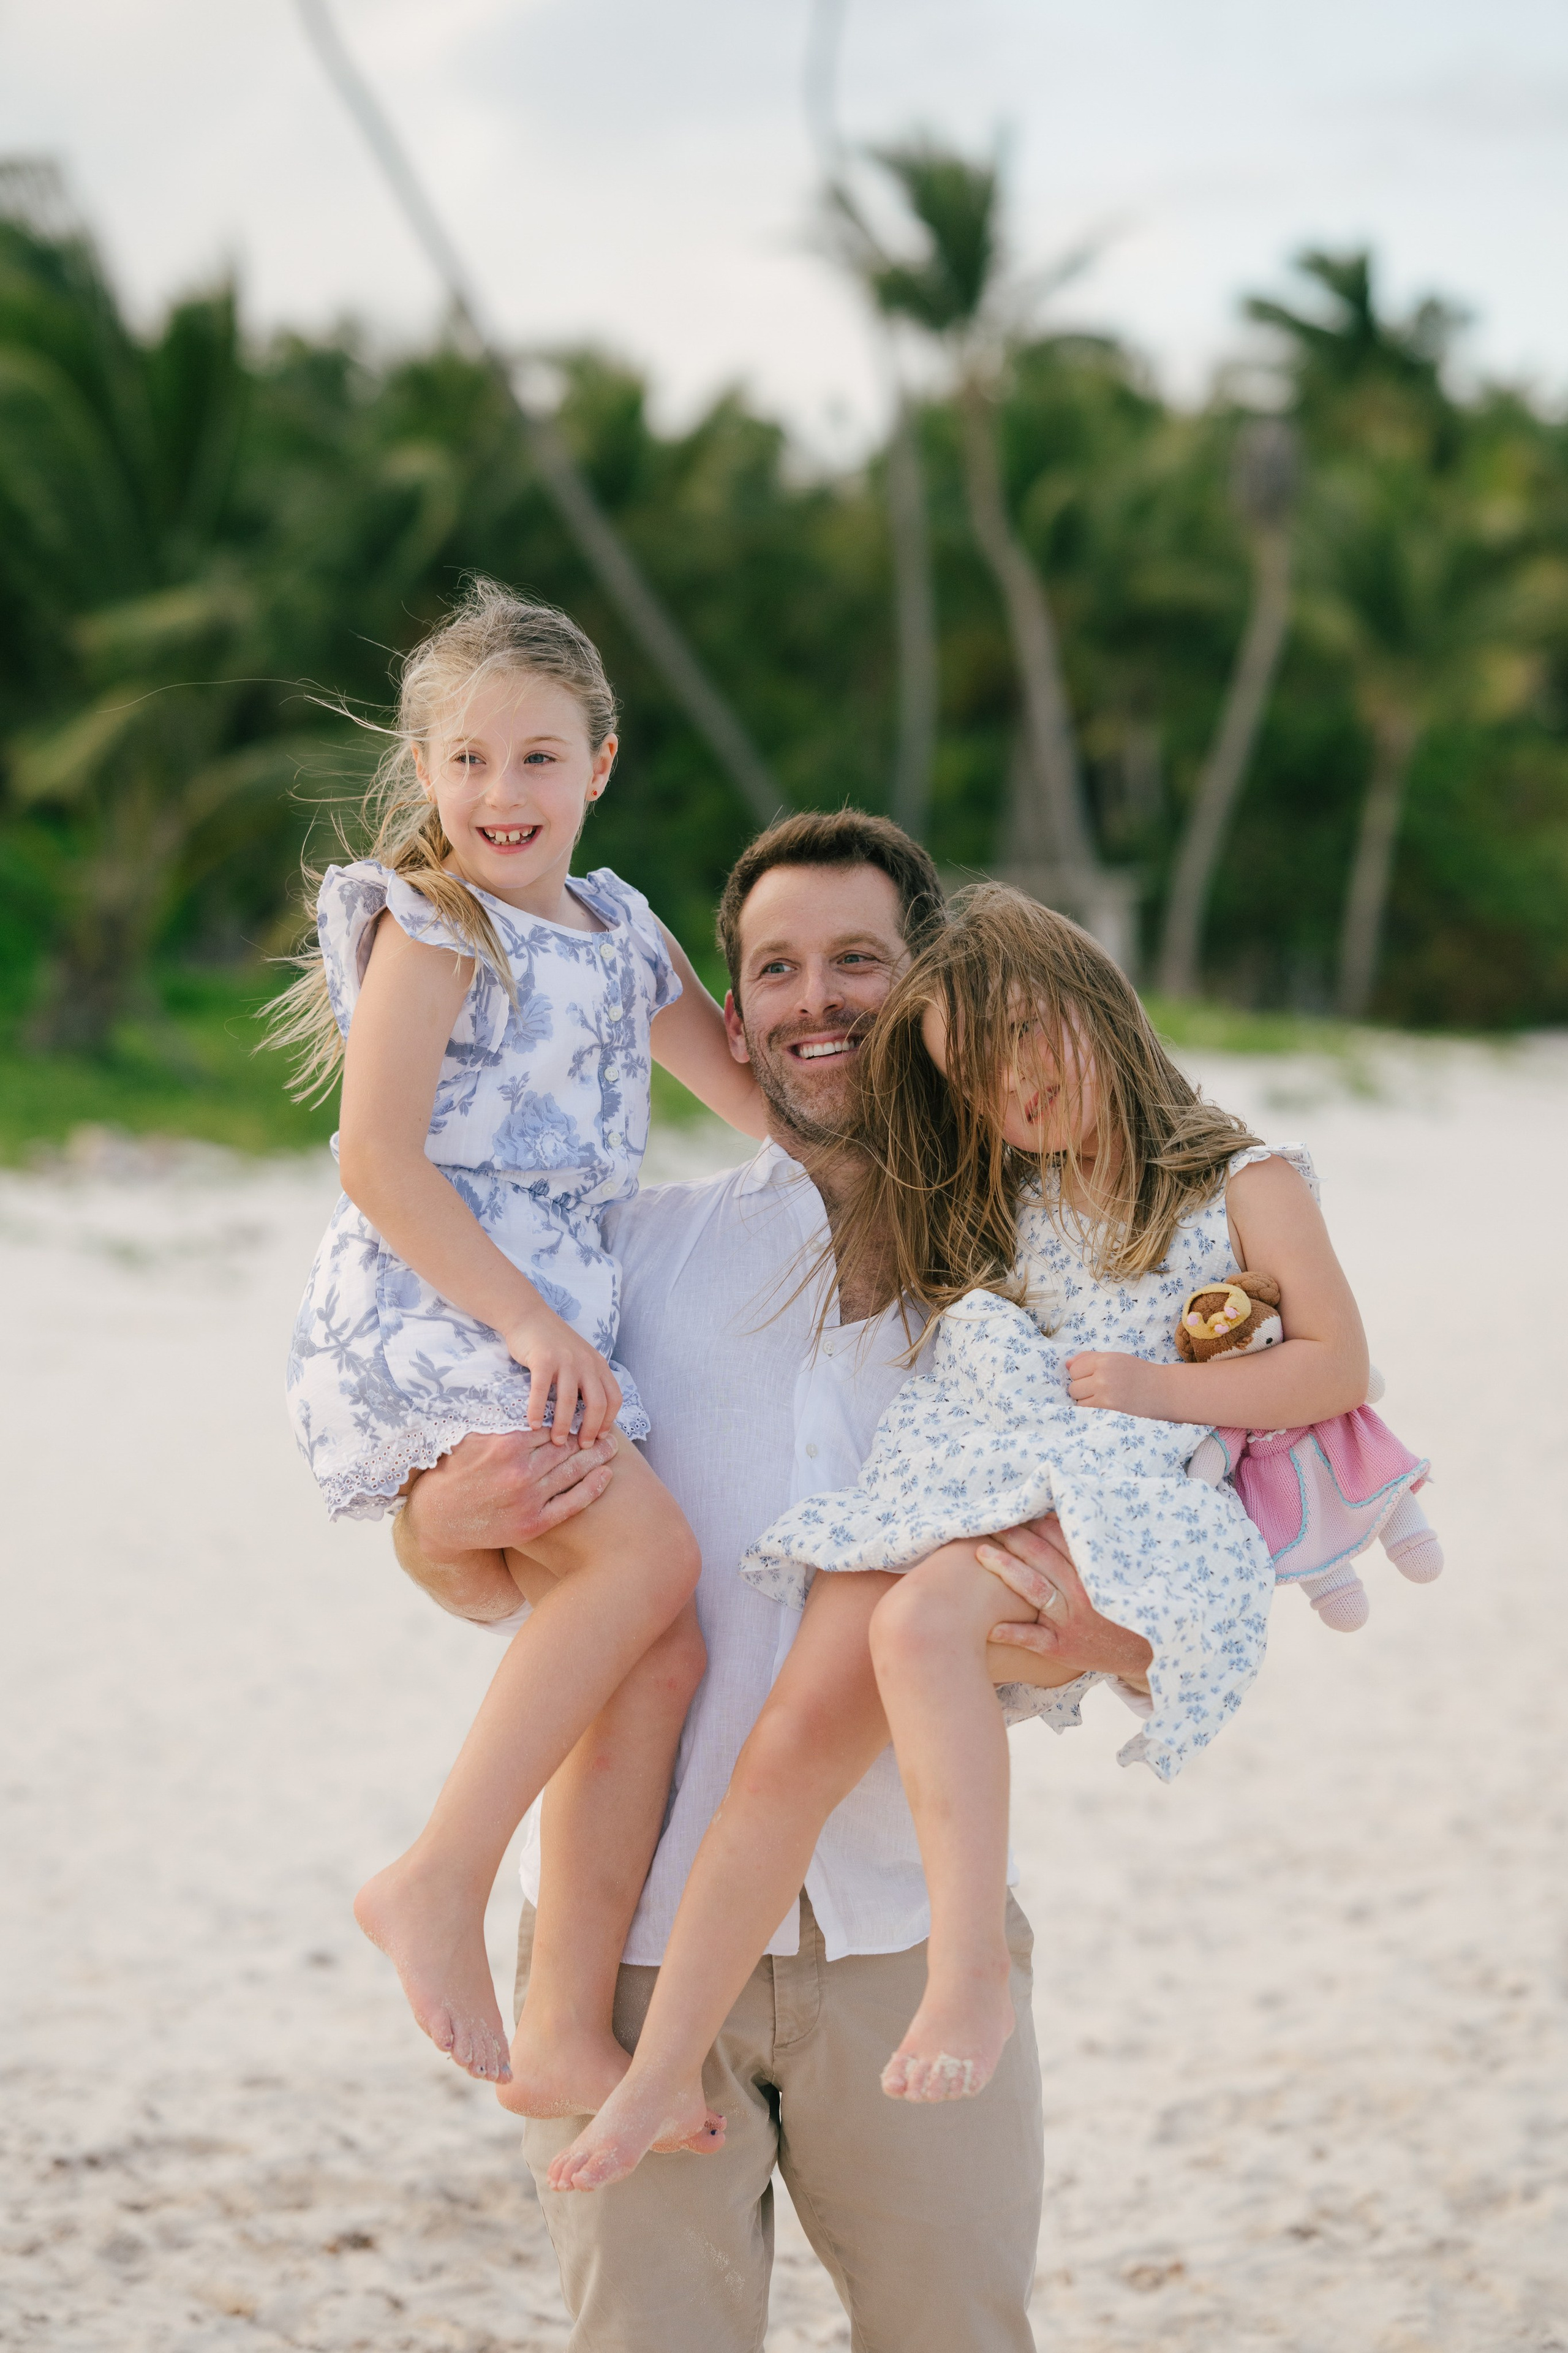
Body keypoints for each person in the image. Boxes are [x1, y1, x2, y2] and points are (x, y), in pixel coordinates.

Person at [395, 810, 1148, 2352]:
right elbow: (478, 1561)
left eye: (857, 960)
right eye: (778, 970)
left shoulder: (1041, 1273)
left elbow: (1155, 1604)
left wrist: (1080, 1634)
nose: (818, 1000)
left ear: (930, 984)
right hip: (626, 1949)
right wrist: (442, 1516)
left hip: (905, 1943)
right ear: (727, 1017)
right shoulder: (624, 1257)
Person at [546, 884, 1370, 2192]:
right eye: (971, 1078)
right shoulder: (996, 1186)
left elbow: (1332, 1365)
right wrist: (629, 956)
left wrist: (1165, 1388)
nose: (1013, 1089)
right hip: (967, 1466)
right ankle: (654, 2075)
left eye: (1026, 1041)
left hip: (1118, 1493)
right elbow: (787, 1109)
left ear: (1094, 1003)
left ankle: (966, 1966)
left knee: (917, 1622)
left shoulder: (1242, 1182)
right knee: (787, 1743)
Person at [274, 578, 767, 2102]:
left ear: (600, 765)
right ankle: (436, 1875)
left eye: (540, 758)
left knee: (657, 1651)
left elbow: (764, 1105)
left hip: (546, 1319)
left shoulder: (621, 931)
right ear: (426, 772)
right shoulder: (433, 926)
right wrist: (528, 1319)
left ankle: (559, 2026)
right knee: (644, 1567)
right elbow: (377, 1162)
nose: (504, 792)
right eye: (472, 760)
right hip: (445, 1304)